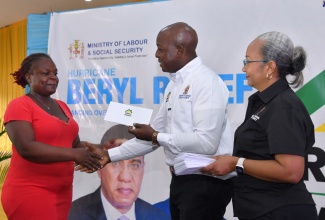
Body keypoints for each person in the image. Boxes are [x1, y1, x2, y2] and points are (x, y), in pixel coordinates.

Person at [77, 22, 233, 220]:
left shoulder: (206, 82)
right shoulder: (173, 86)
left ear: (179, 51)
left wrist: (156, 136)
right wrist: (109, 155)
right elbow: (152, 137)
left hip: (206, 182)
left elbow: (207, 143)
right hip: (182, 181)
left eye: (160, 49)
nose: (156, 55)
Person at [201, 31, 318, 220]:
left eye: (248, 61)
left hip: (280, 211)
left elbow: (291, 171)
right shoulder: (265, 102)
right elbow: (258, 154)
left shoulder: (284, 106)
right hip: (261, 210)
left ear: (269, 67)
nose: (243, 68)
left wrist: (235, 163)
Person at [1, 53, 106, 220]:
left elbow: (74, 144)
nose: (53, 77)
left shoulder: (62, 106)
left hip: (62, 192)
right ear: (29, 77)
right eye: (45, 73)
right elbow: (27, 148)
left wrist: (103, 147)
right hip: (30, 191)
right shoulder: (19, 105)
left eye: (55, 73)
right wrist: (74, 155)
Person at [69, 125, 170, 220]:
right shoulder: (72, 214)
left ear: (143, 169)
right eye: (115, 163)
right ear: (99, 168)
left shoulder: (159, 216)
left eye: (134, 165)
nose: (125, 177)